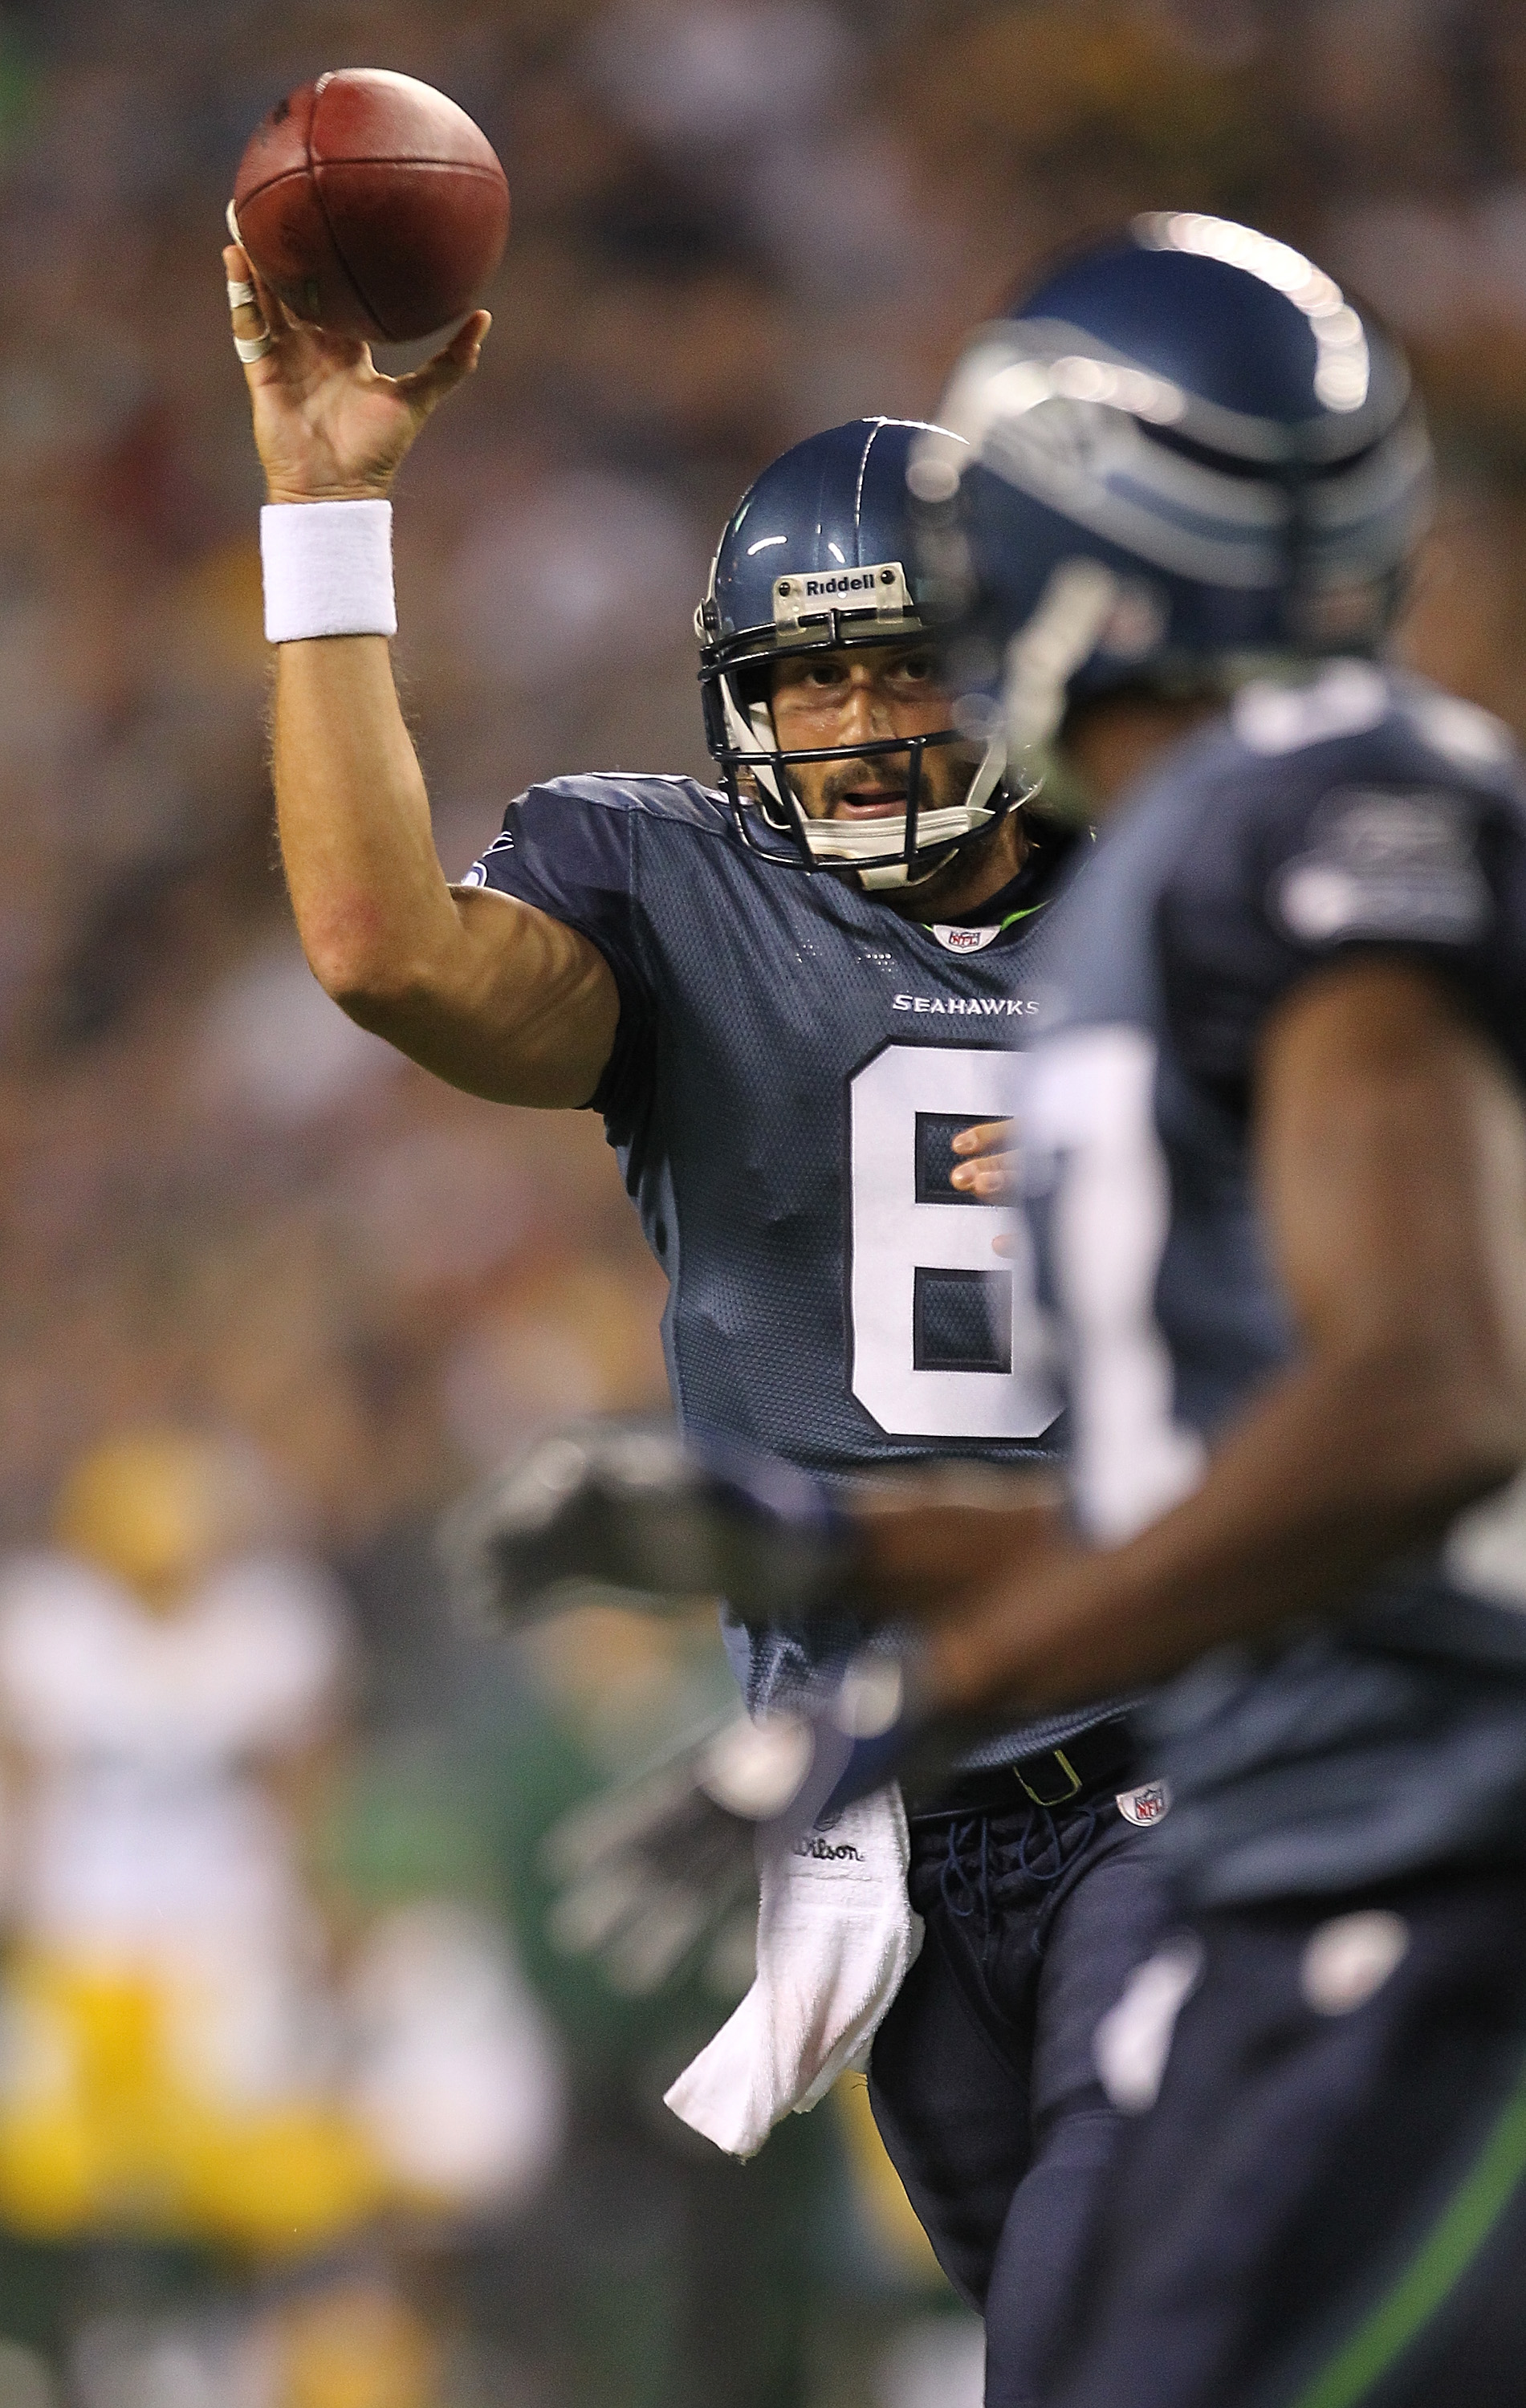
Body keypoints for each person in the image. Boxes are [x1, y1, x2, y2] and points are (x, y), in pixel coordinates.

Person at [222, 239, 1171, 2393]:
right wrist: (322, 507)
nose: (849, 730)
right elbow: (384, 953)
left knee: (1170, 2311)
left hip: (1196, 1743)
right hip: (897, 1823)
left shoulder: (1192, 872)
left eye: (901, 669)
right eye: (805, 682)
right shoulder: (681, 893)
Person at [820, 215, 1526, 2406]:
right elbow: (1236, 1480)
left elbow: (1424, 1398)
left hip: (1433, 1883)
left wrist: (959, 1675)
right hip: (1318, 1869)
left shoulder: (1315, 807)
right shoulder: (1215, 837)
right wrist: (821, 1559)